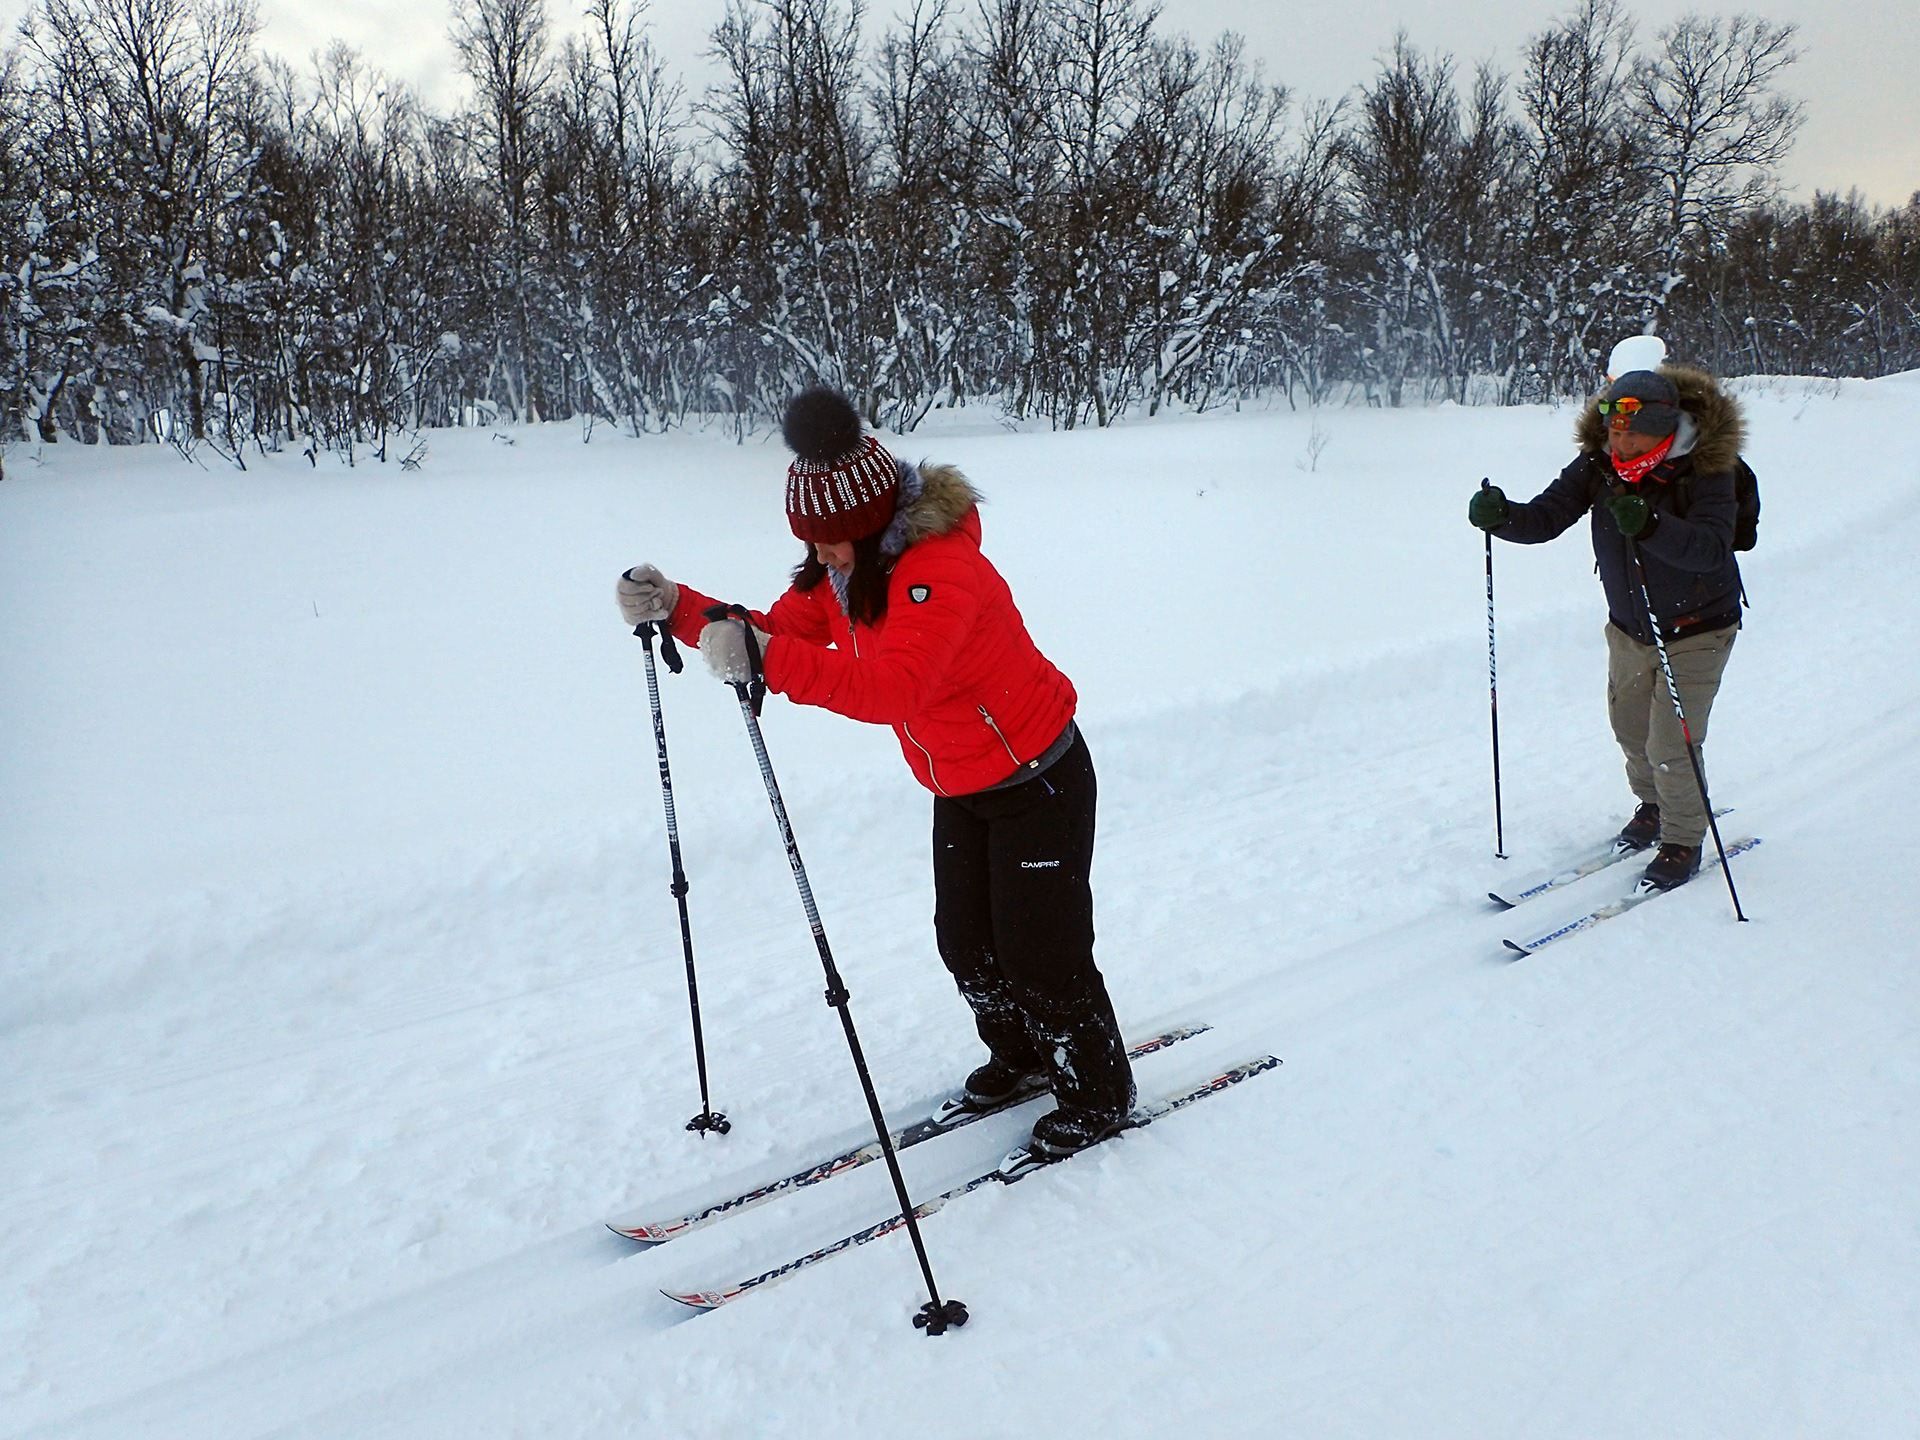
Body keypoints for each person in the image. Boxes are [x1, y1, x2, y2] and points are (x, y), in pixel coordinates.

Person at [615, 386, 1136, 1156]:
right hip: (959, 784)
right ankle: (1025, 1058)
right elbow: (771, 631)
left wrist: (768, 660)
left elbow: (893, 689)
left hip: (1038, 779)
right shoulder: (843, 576)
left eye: (828, 543)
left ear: (865, 526)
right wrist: (682, 606)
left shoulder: (938, 574)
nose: (818, 557)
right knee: (966, 943)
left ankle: (1098, 1091)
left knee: (1042, 953)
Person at [1469, 345, 1748, 890]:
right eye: (1615, 433)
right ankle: (1654, 806)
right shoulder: (1600, 464)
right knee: (1631, 729)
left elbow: (1713, 549)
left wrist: (1651, 526)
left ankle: (1683, 838)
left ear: (1664, 429)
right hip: (1630, 626)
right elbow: (1547, 516)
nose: (1620, 445)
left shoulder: (1709, 469)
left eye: (1632, 435)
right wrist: (1503, 519)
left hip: (1697, 629)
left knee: (1672, 743)